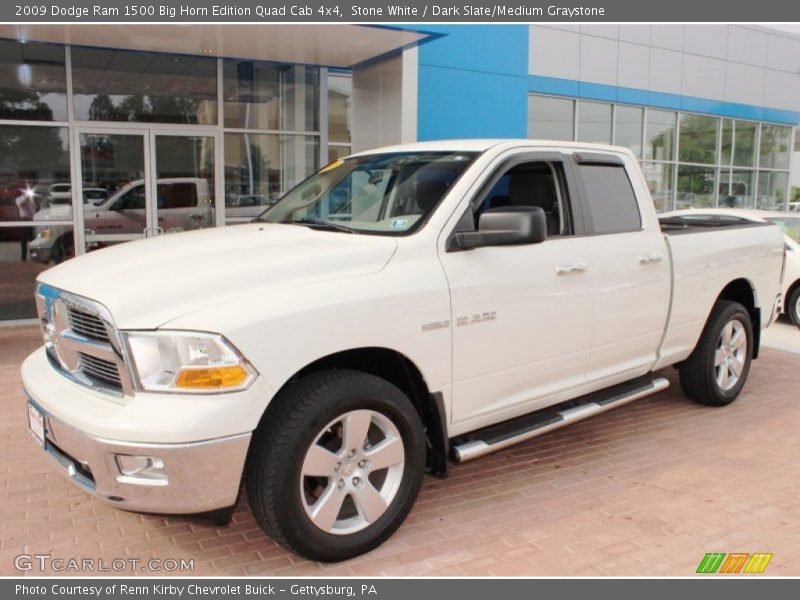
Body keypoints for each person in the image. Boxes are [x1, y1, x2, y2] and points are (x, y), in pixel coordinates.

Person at [15, 189, 37, 261]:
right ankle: (23, 257)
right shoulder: (18, 199)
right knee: (24, 239)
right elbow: (21, 205)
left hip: (31, 219)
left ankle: (33, 256)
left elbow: (34, 210)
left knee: (32, 239)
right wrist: (25, 198)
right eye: (25, 191)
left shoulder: (31, 200)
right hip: (24, 219)